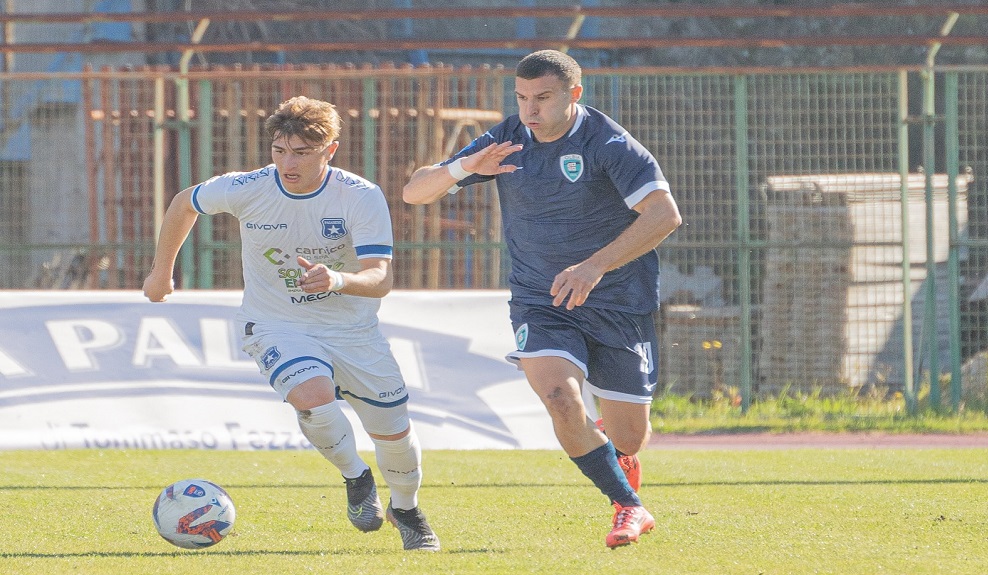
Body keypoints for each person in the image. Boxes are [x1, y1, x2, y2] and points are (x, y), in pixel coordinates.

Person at [403, 49, 681, 548]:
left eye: (543, 98)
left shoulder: (610, 143)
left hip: (618, 300)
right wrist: (467, 165)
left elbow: (664, 216)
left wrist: (596, 265)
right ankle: (629, 507)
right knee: (558, 397)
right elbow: (414, 193)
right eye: (522, 97)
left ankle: (615, 450)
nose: (530, 110)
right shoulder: (507, 138)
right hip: (541, 300)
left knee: (629, 437)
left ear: (575, 94)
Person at [144, 95, 440, 552]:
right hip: (275, 323)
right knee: (313, 399)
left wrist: (337, 279)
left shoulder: (359, 196)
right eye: (280, 151)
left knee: (394, 434)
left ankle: (406, 509)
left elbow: (380, 279)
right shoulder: (249, 186)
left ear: (331, 150)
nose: (288, 162)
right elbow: (185, 203)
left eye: (302, 153)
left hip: (352, 331)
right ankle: (356, 477)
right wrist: (161, 272)